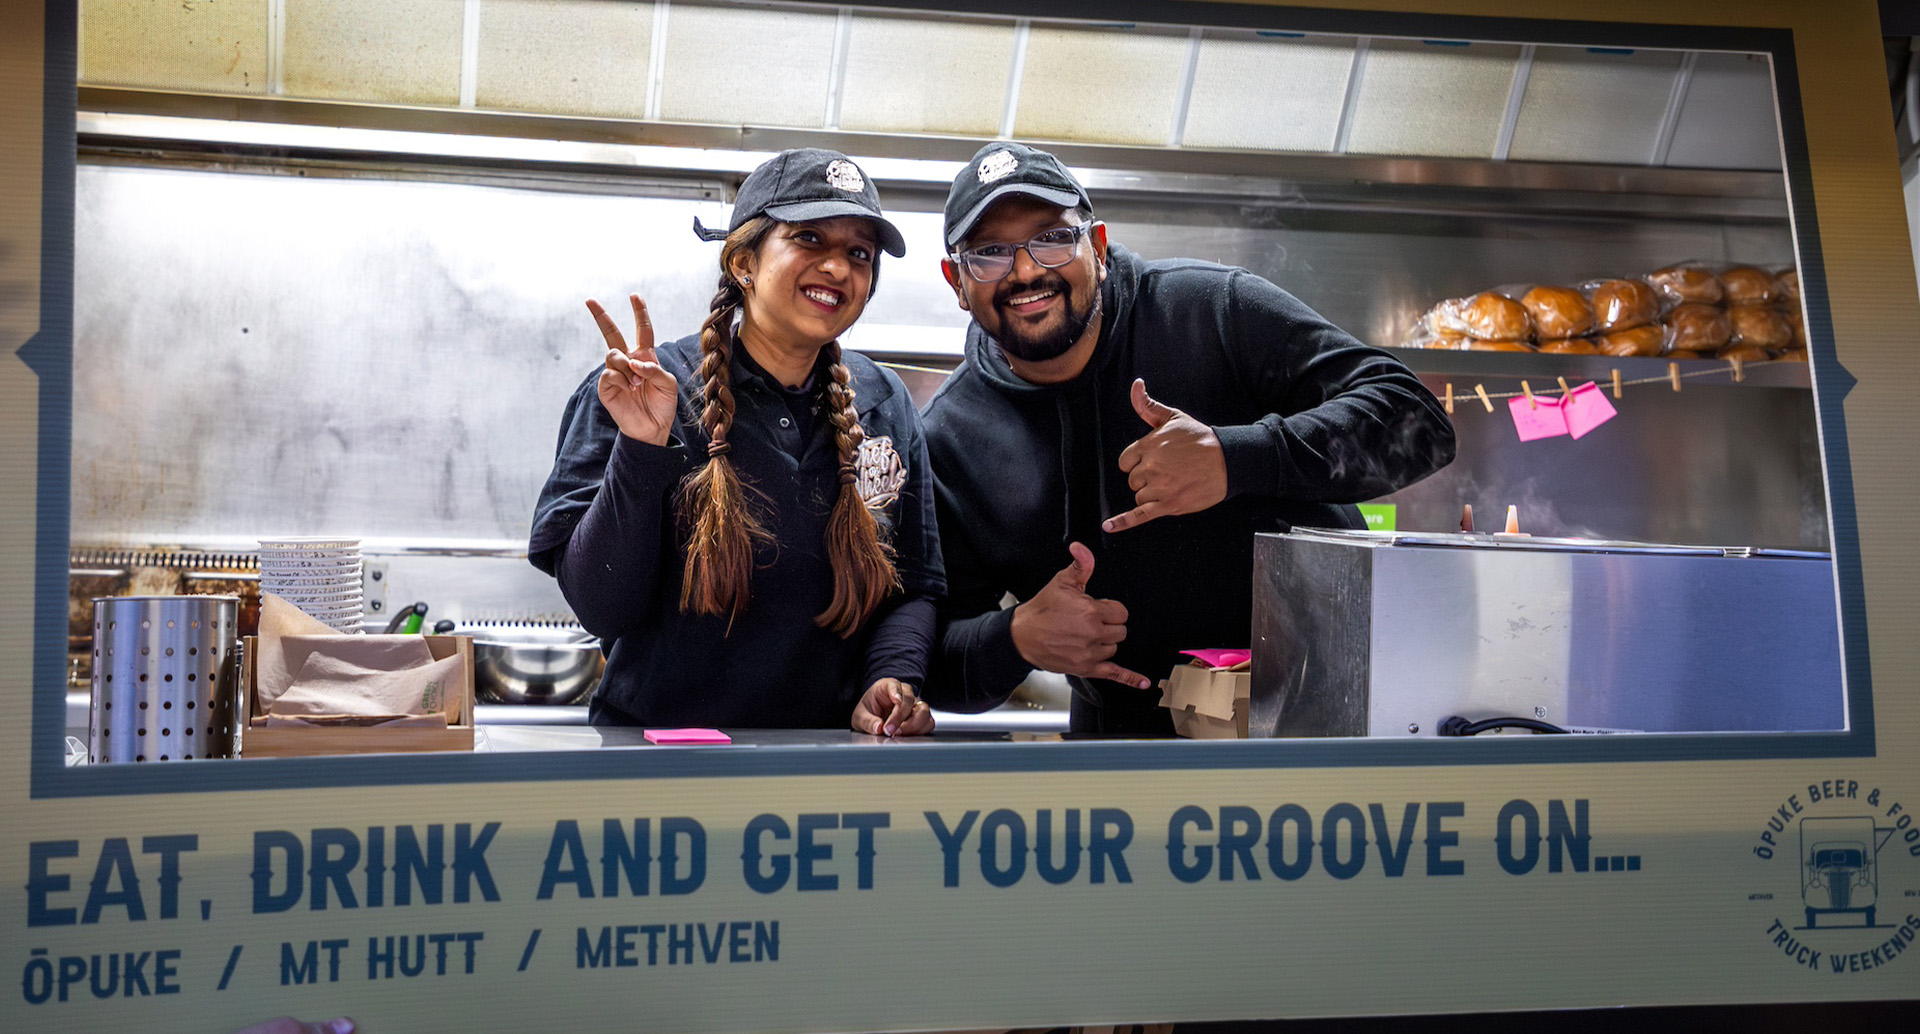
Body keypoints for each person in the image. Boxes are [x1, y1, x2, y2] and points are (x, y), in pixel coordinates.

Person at [920, 142, 1456, 735]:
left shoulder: (1207, 309)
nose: (1025, 270)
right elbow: (932, 656)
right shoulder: (952, 435)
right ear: (956, 283)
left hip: (1322, 719)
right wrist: (1014, 637)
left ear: (1096, 247)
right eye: (989, 254)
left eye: (1051, 237)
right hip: (1123, 758)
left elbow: (1418, 422)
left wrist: (1237, 458)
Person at [529, 148, 943, 736]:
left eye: (859, 254)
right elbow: (601, 607)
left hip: (834, 769)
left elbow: (916, 587)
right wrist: (641, 449)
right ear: (744, 263)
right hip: (661, 769)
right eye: (808, 239)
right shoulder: (646, 390)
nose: (838, 268)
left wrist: (890, 677)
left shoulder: (885, 401)